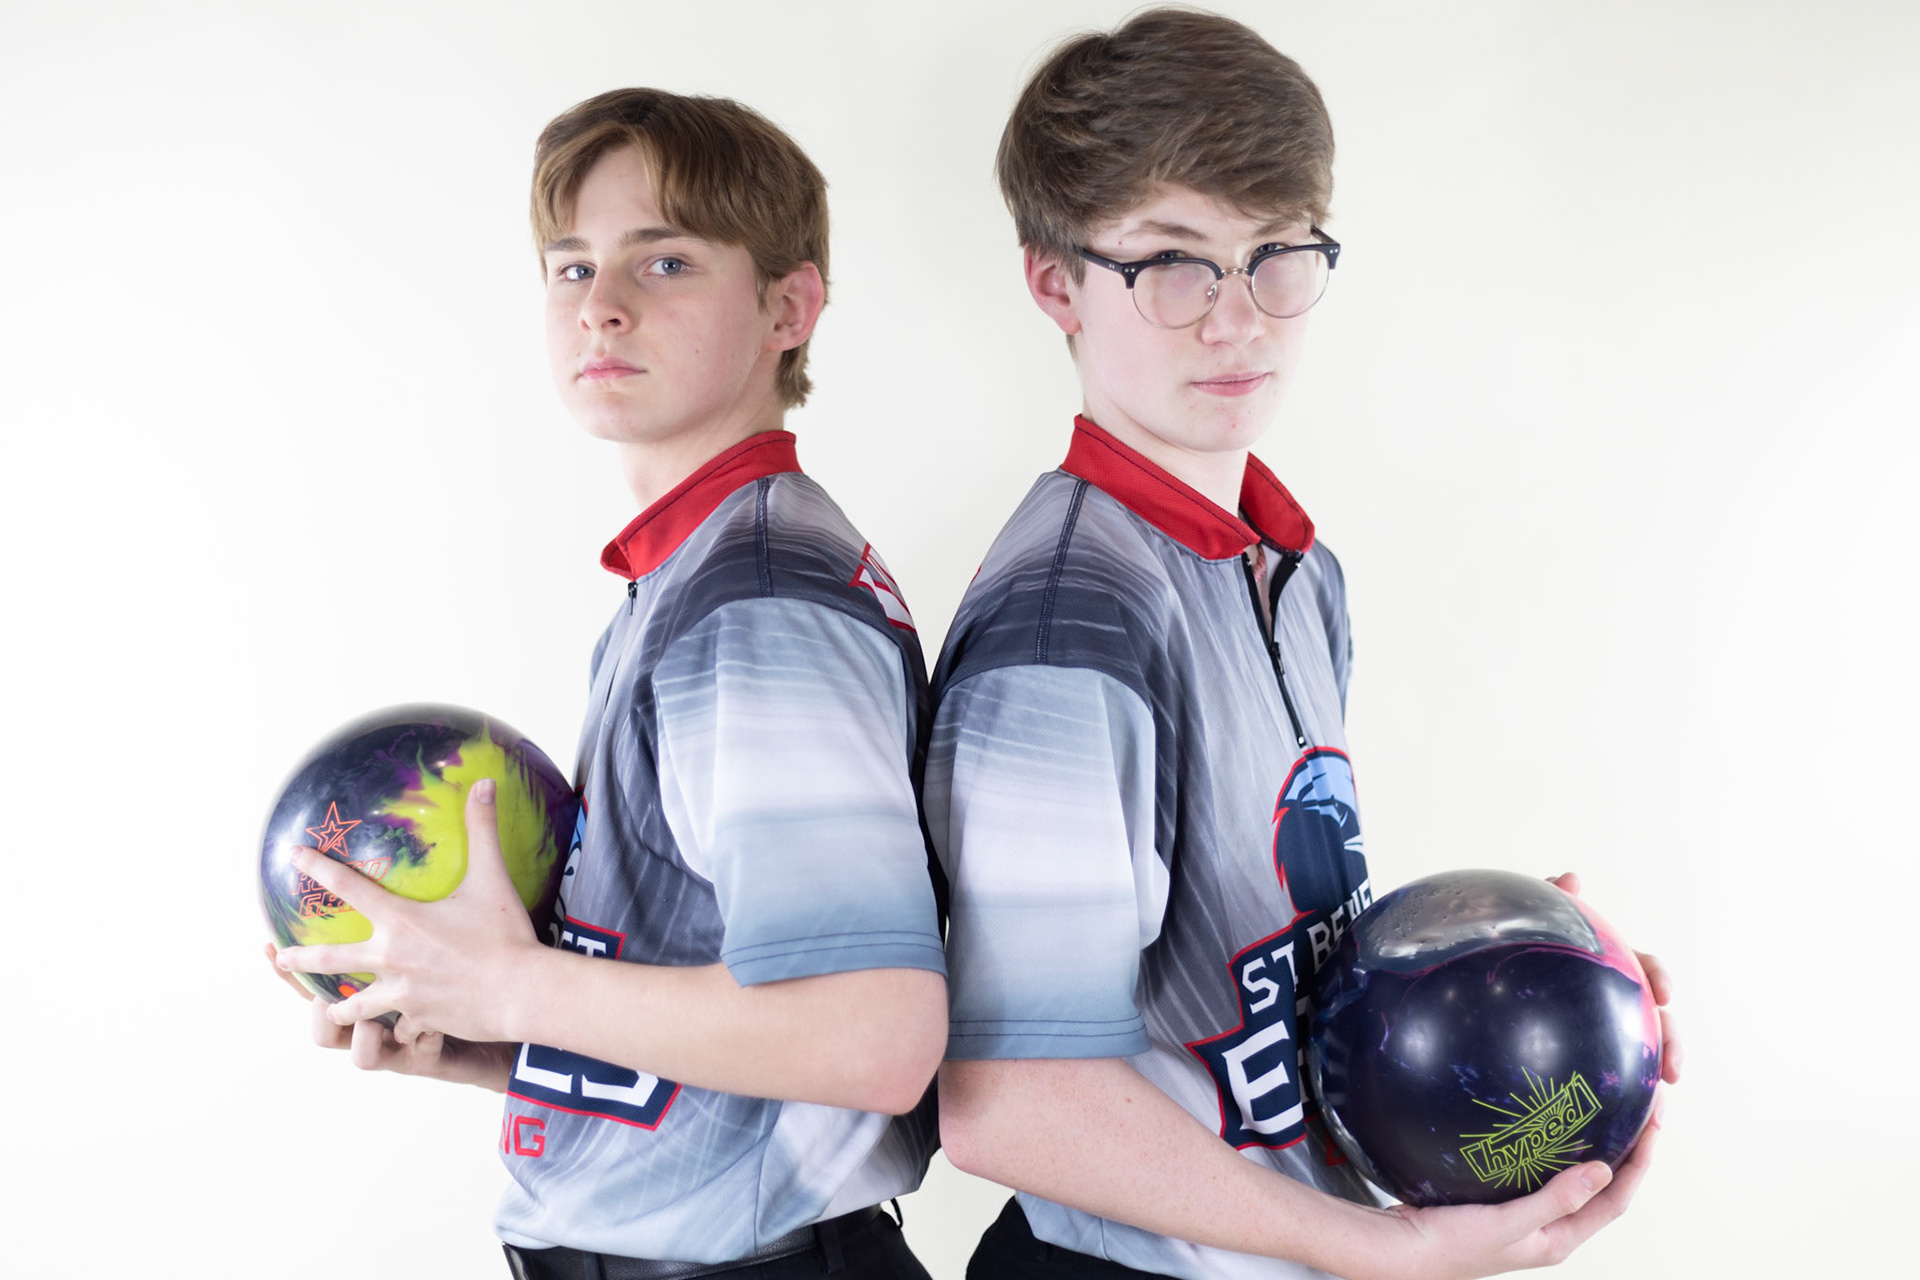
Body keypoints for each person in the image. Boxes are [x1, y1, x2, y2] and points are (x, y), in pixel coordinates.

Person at [925, 10, 1679, 1279]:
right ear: (1055, 282)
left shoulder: (1296, 569)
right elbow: (1010, 1100)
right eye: (1173, 263)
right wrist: (1379, 1248)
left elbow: (1259, 949)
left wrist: (1505, 965)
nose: (1239, 320)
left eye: (1276, 253)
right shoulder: (1068, 623)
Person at [273, 88, 948, 1279]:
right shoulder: (692, 573)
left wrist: (512, 983)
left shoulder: (759, 601)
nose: (603, 304)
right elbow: (727, 1012)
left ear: (788, 307)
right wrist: (495, 1036)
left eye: (665, 261)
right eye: (572, 267)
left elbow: (871, 1036)